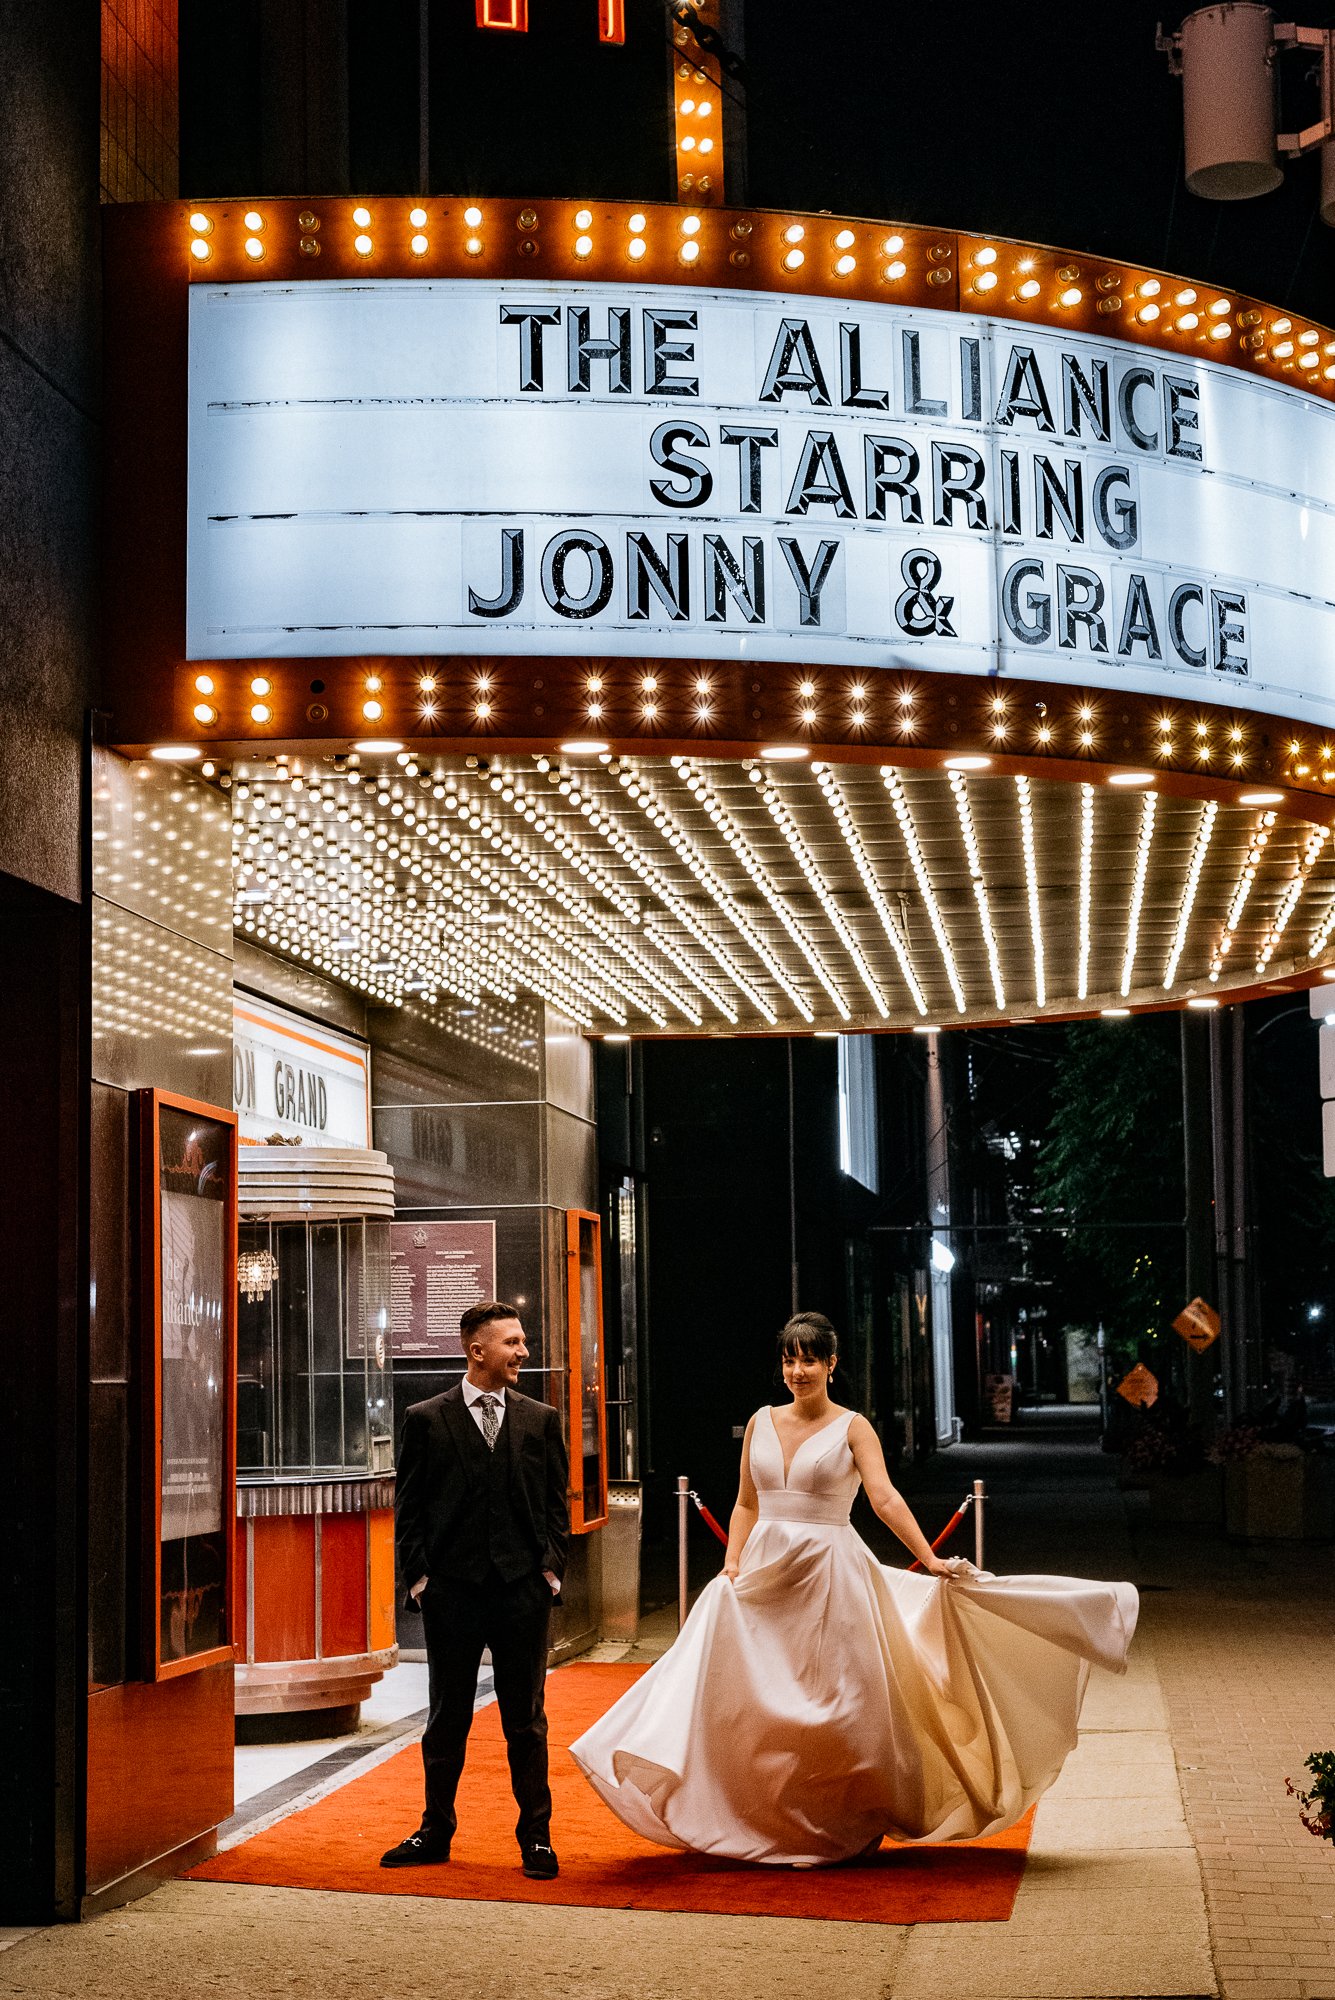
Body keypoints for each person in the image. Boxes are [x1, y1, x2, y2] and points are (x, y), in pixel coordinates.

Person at [571, 1310, 1138, 1868]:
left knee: (840, 1707)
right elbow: (746, 1502)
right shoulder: (762, 1421)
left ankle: (836, 1821)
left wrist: (929, 1557)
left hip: (830, 1573)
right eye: (790, 1359)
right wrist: (732, 1563)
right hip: (765, 1577)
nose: (798, 1371)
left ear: (832, 1364)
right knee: (752, 1707)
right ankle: (756, 1817)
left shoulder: (853, 1425)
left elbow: (884, 1499)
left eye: (810, 1359)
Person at [381, 1299, 569, 1879]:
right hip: (452, 1594)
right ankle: (435, 1831)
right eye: (512, 1342)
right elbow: (408, 1511)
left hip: (521, 1592)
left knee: (526, 1721)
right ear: (477, 1350)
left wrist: (549, 1572)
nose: (523, 1352)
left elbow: (556, 1504)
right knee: (446, 1717)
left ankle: (535, 1838)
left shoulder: (540, 1419)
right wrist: (419, 1583)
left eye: (522, 1341)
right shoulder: (426, 1419)